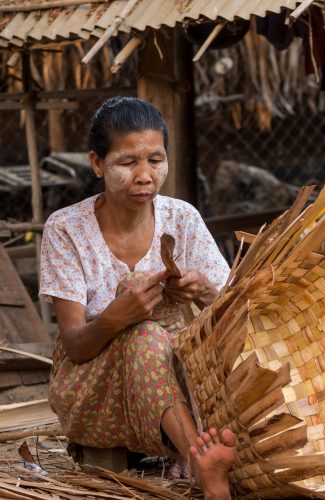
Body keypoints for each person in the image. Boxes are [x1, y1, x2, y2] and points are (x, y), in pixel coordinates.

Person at [39, 97, 237, 499]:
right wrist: (118, 317)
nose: (145, 176)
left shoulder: (182, 219)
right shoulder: (66, 229)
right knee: (144, 336)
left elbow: (234, 311)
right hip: (94, 390)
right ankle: (201, 462)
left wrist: (201, 289)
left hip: (178, 383)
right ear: (97, 163)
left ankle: (198, 451)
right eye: (128, 163)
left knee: (169, 337)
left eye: (155, 160)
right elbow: (74, 345)